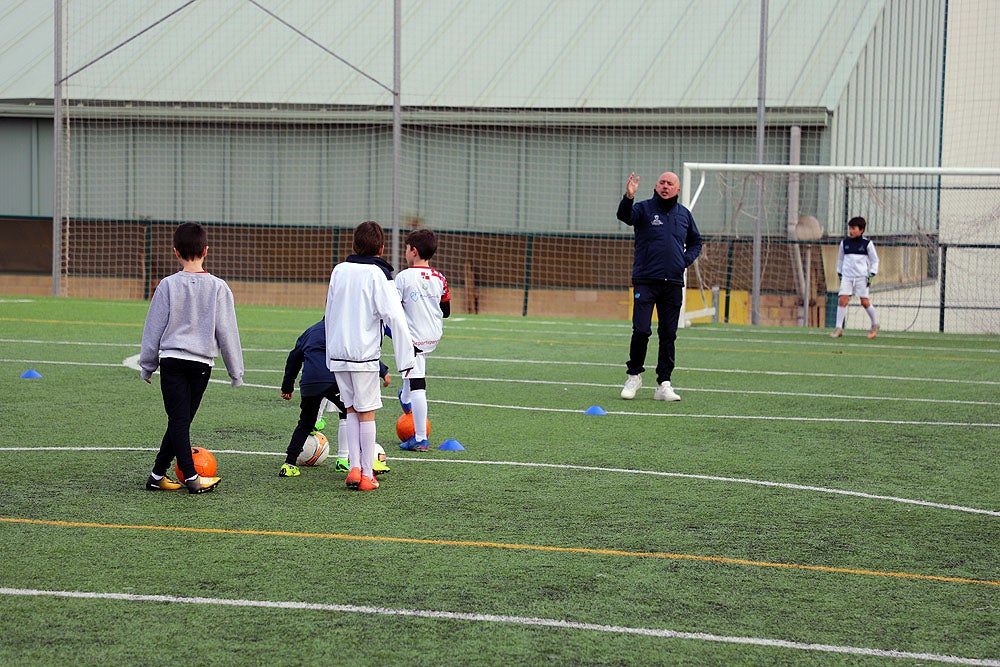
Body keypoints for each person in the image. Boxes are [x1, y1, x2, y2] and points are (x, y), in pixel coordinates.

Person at [139, 222, 244, 494]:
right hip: (201, 365)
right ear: (206, 251)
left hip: (172, 361)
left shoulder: (167, 285)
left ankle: (157, 474)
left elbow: (153, 328)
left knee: (179, 420)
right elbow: (228, 332)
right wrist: (236, 371)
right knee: (180, 420)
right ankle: (191, 477)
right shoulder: (219, 287)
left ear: (175, 252)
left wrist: (148, 365)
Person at [325, 221, 415, 491]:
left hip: (339, 352)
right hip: (363, 355)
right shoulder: (379, 275)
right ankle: (366, 474)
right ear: (381, 247)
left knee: (351, 409)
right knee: (367, 414)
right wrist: (406, 359)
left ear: (354, 244)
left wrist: (331, 351)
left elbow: (329, 311)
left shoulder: (339, 270)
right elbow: (395, 317)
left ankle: (354, 468)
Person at [616, 171, 702, 401]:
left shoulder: (684, 215)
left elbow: (696, 242)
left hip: (673, 283)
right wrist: (628, 196)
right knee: (642, 330)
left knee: (668, 334)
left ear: (677, 190)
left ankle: (664, 383)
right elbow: (624, 215)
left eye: (670, 183)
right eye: (662, 182)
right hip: (645, 280)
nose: (665, 186)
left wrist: (684, 260)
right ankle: (634, 376)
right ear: (656, 186)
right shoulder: (643, 209)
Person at [278, 318, 391, 477]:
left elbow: (294, 358)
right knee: (354, 415)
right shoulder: (343, 329)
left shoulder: (310, 331)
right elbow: (358, 352)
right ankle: (360, 461)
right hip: (333, 379)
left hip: (309, 384)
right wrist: (383, 371)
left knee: (305, 422)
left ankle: (289, 464)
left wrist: (287, 387)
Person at [394, 228, 451, 451]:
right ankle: (405, 396)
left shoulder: (403, 277)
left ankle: (419, 439)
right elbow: (445, 310)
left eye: (406, 249)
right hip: (433, 337)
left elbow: (393, 310)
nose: (405, 252)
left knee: (419, 384)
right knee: (412, 370)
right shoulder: (440, 278)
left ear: (413, 251)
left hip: (414, 340)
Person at [831, 216, 880, 339]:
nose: (851, 231)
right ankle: (838, 328)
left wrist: (872, 274)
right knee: (842, 299)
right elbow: (840, 259)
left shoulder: (867, 244)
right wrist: (839, 272)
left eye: (854, 228)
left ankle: (875, 324)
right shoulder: (844, 243)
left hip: (861, 277)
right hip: (847, 276)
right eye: (850, 228)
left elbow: (875, 260)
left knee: (864, 302)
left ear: (861, 230)